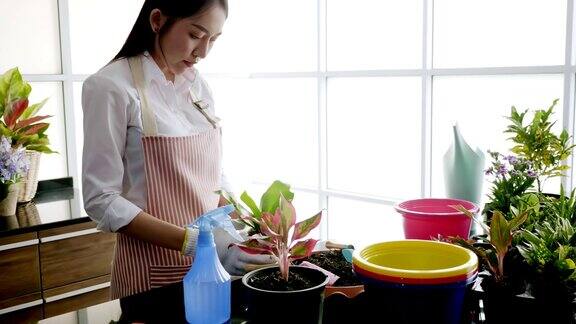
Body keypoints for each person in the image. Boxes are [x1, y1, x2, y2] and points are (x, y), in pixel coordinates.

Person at [81, 0, 274, 317]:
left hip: (214, 273)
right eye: (196, 35)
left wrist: (242, 227)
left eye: (213, 39)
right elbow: (101, 199)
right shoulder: (110, 87)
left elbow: (212, 173)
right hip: (152, 278)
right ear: (157, 20)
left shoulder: (197, 86)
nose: (203, 52)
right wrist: (195, 243)